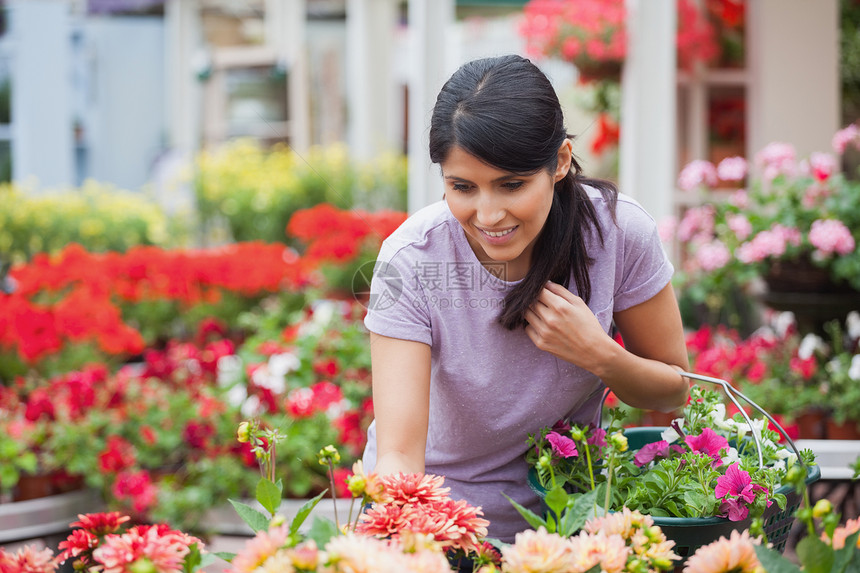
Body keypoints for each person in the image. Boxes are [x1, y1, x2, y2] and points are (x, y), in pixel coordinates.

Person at [361, 54, 690, 544]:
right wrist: (419, 539)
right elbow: (400, 455)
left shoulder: (618, 234)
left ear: (558, 162)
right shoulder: (410, 259)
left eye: (511, 185)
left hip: (572, 519)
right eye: (462, 187)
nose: (489, 214)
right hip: (440, 523)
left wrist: (599, 354)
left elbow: (673, 389)